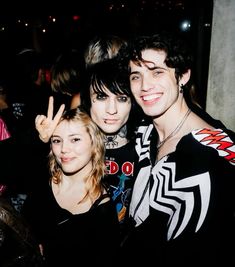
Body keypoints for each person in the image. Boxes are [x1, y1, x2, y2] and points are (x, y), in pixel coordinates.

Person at [118, 32, 235, 265]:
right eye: (136, 76)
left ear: (183, 76)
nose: (144, 86)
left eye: (157, 72)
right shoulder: (144, 132)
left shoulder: (212, 154)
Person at [22, 107, 120, 266]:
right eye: (56, 140)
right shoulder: (40, 181)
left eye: (75, 139)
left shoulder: (103, 212)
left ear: (94, 142)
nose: (64, 149)